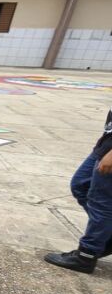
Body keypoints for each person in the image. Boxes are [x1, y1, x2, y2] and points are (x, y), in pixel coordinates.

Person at [44, 110, 112, 273]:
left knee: (102, 202)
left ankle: (86, 255)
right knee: (80, 185)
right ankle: (105, 237)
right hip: (106, 143)